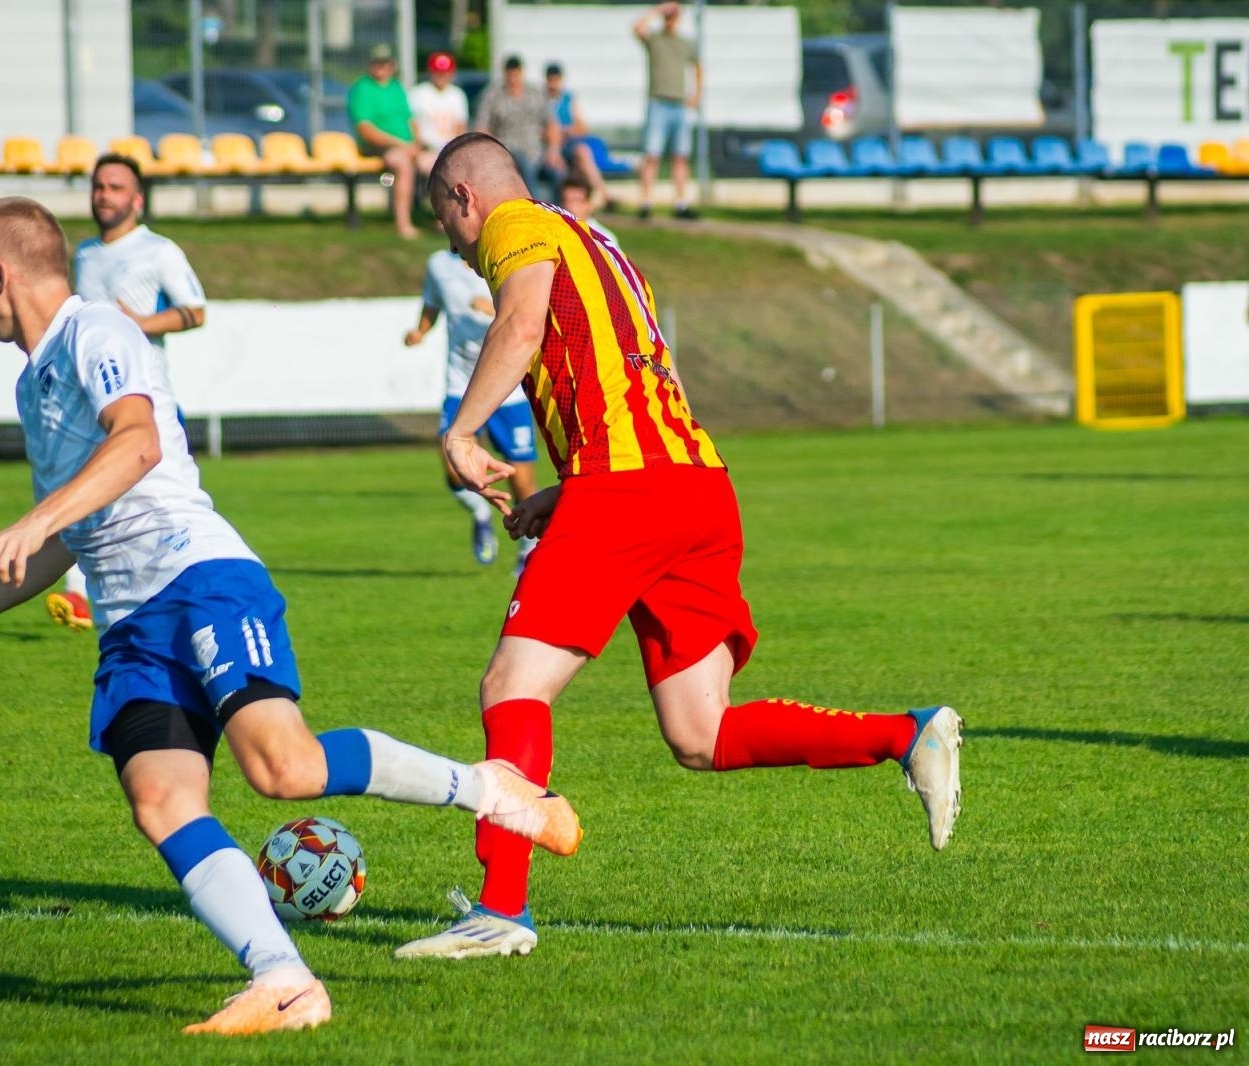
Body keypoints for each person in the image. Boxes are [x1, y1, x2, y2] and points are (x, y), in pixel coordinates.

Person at [0, 196, 581, 1034]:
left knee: (281, 768)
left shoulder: (95, 332)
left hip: (200, 577)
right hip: (130, 623)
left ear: (0, 273)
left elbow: (133, 445)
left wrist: (34, 520)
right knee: (161, 800)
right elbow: (67, 538)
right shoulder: (35, 384)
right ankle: (284, 981)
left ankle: (487, 788)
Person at [394, 134, 963, 960]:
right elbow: (642, 370)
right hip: (695, 484)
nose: (449, 239)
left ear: (462, 199)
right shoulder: (604, 244)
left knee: (511, 686)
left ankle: (501, 909)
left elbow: (519, 326)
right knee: (702, 733)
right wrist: (570, 487)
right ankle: (907, 736)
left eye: (443, 219)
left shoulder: (516, 226)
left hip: (631, 490)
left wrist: (462, 429)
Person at [45, 153, 210, 632]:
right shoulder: (85, 254)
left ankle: (180, 587)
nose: (104, 195)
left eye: (116, 187)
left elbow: (195, 311)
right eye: (99, 186)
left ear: (137, 199)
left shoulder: (158, 250)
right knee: (86, 492)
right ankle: (81, 598)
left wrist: (139, 325)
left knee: (160, 503)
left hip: (145, 399)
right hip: (89, 401)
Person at [404, 246, 540, 571]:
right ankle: (479, 513)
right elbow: (432, 302)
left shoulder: (505, 256)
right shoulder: (438, 263)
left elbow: (531, 314)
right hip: (460, 385)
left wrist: (494, 309)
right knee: (453, 465)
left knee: (521, 480)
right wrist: (421, 330)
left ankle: (528, 548)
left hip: (508, 387)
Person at [632, 3, 702, 220]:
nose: (670, 19)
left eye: (673, 16)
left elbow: (698, 67)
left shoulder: (685, 43)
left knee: (680, 156)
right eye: (668, 16)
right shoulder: (655, 40)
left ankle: (681, 202)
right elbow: (637, 27)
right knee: (651, 154)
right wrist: (659, 9)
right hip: (658, 102)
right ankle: (646, 201)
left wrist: (696, 94)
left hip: (679, 104)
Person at [349, 43, 421, 239]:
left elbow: (410, 120)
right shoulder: (362, 88)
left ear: (392, 65)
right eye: (377, 63)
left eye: (385, 63)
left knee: (437, 163)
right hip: (378, 148)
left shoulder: (396, 88)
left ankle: (443, 221)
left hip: (407, 146)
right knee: (403, 164)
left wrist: (416, 143)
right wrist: (400, 144)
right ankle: (403, 223)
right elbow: (365, 129)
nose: (381, 67)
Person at [472, 55, 561, 198]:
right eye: (510, 74)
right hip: (508, 151)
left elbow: (551, 124)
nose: (513, 78)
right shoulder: (492, 95)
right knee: (523, 163)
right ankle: (535, 207)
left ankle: (562, 214)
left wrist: (553, 151)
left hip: (537, 151)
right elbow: (482, 126)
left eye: (516, 73)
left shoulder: (535, 93)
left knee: (559, 173)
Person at [542, 62, 609, 210]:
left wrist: (567, 130)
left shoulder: (568, 99)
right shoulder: (540, 99)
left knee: (583, 153)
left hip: (568, 142)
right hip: (548, 145)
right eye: (551, 80)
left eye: (556, 80)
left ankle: (601, 193)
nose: (553, 84)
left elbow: (583, 126)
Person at [409, 52, 469, 176]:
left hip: (450, 148)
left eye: (445, 72)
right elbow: (411, 122)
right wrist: (418, 146)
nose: (441, 76)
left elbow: (461, 126)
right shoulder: (419, 93)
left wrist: (457, 148)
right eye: (438, 72)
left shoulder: (457, 94)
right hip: (426, 149)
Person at [557, 176, 618, 246]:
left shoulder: (606, 238)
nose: (569, 207)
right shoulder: (552, 232)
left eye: (576, 200)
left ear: (589, 204)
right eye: (565, 200)